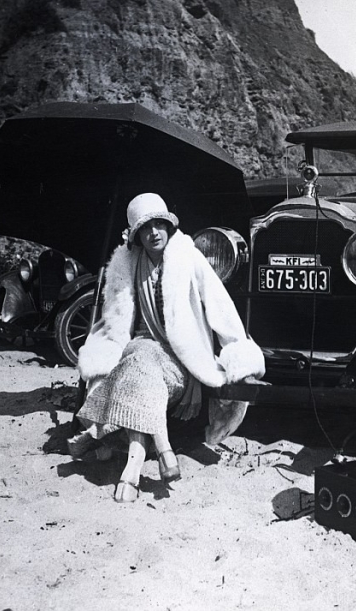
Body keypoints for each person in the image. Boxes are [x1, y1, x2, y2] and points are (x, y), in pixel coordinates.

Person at [69, 193, 265, 502]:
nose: (154, 233)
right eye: (146, 229)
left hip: (179, 360)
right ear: (136, 236)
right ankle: (154, 454)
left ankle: (146, 456)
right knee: (139, 358)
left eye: (160, 225)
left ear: (168, 227)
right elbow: (114, 322)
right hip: (135, 355)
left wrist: (237, 352)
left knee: (140, 359)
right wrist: (102, 349)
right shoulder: (125, 266)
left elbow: (219, 304)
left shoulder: (187, 257)